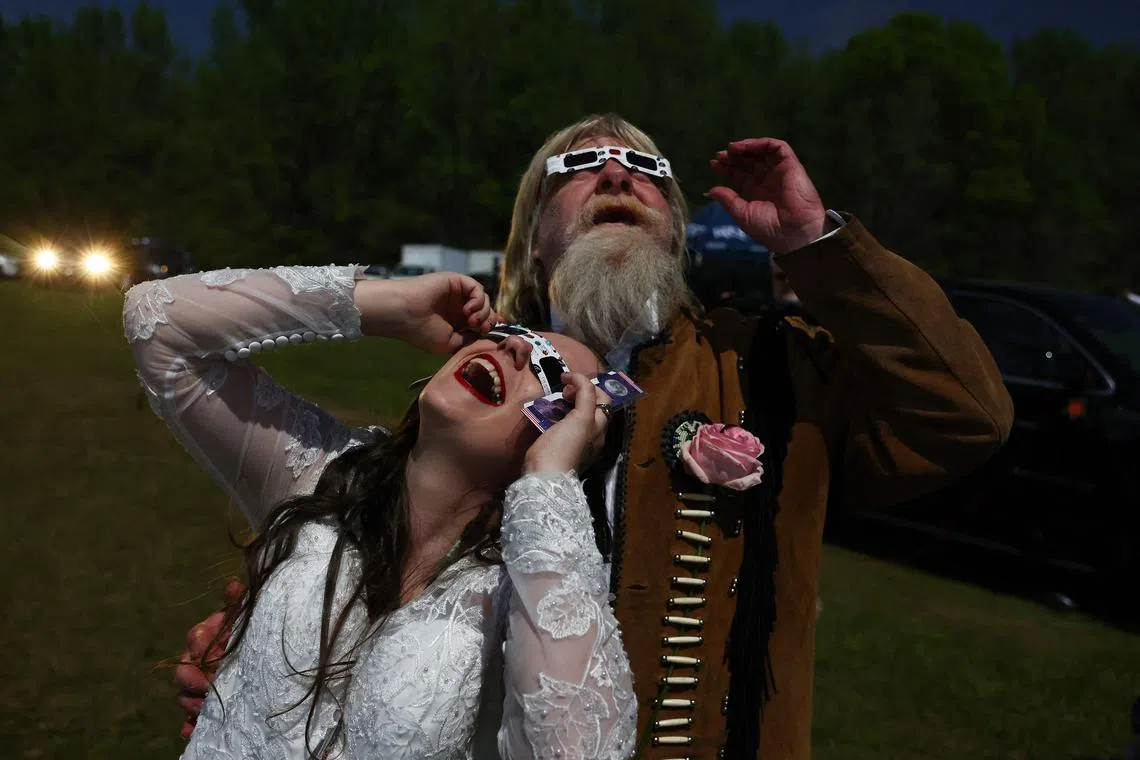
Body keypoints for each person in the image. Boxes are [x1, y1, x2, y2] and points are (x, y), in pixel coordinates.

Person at [175, 114, 1014, 759]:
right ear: (533, 239)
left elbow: (965, 416)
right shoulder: (482, 379)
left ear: (676, 230)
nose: (617, 172)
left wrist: (818, 249)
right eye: (574, 169)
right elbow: (373, 554)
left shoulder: (772, 365)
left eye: (648, 169)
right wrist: (275, 654)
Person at [125, 267, 637, 758]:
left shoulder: (523, 591)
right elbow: (157, 321)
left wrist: (548, 479)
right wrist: (389, 307)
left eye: (549, 370)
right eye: (514, 332)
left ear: (567, 432)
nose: (515, 347)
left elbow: (572, 748)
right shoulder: (321, 474)